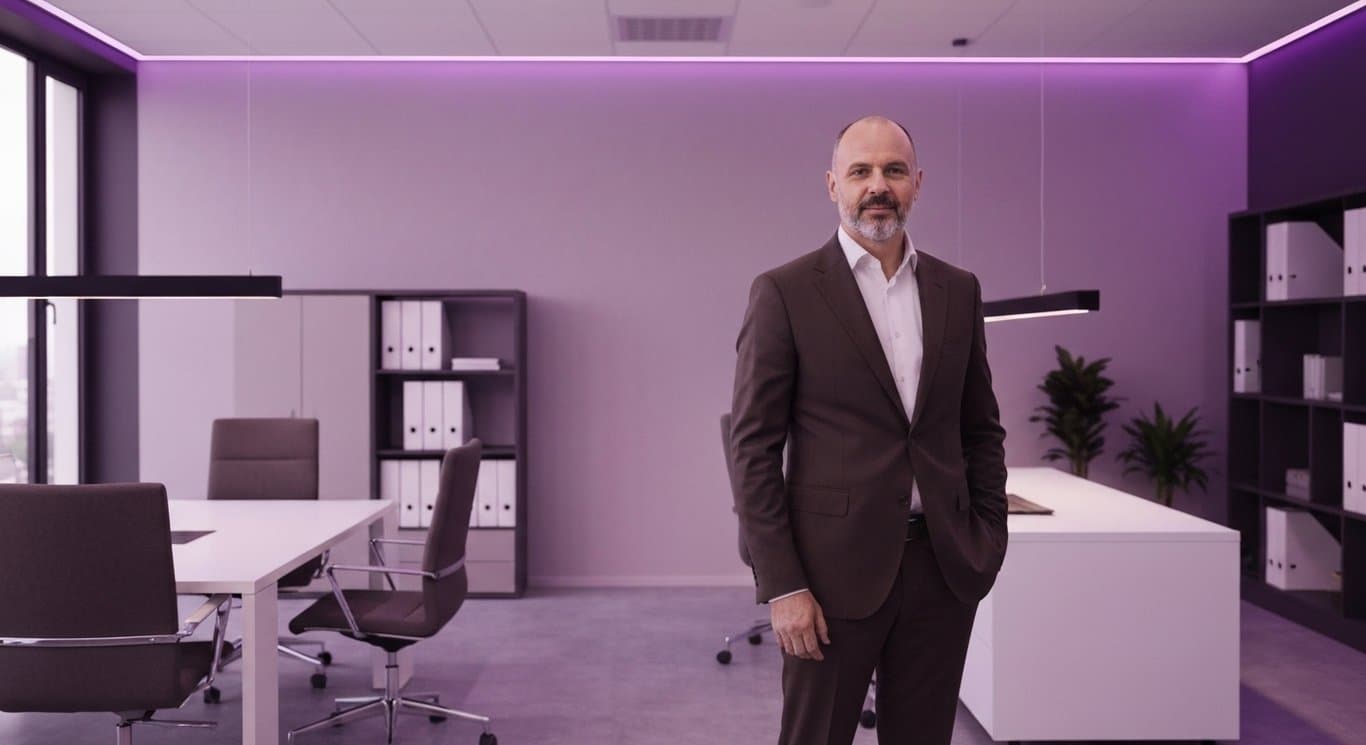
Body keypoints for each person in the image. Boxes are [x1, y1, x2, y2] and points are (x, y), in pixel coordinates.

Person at [729, 115, 1009, 745]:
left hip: (942, 568)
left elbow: (980, 430)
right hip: (828, 577)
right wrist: (783, 585)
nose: (877, 185)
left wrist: (988, 538)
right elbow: (753, 449)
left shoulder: (958, 290)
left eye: (894, 170)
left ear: (917, 184)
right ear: (834, 185)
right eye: (861, 171)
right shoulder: (784, 292)